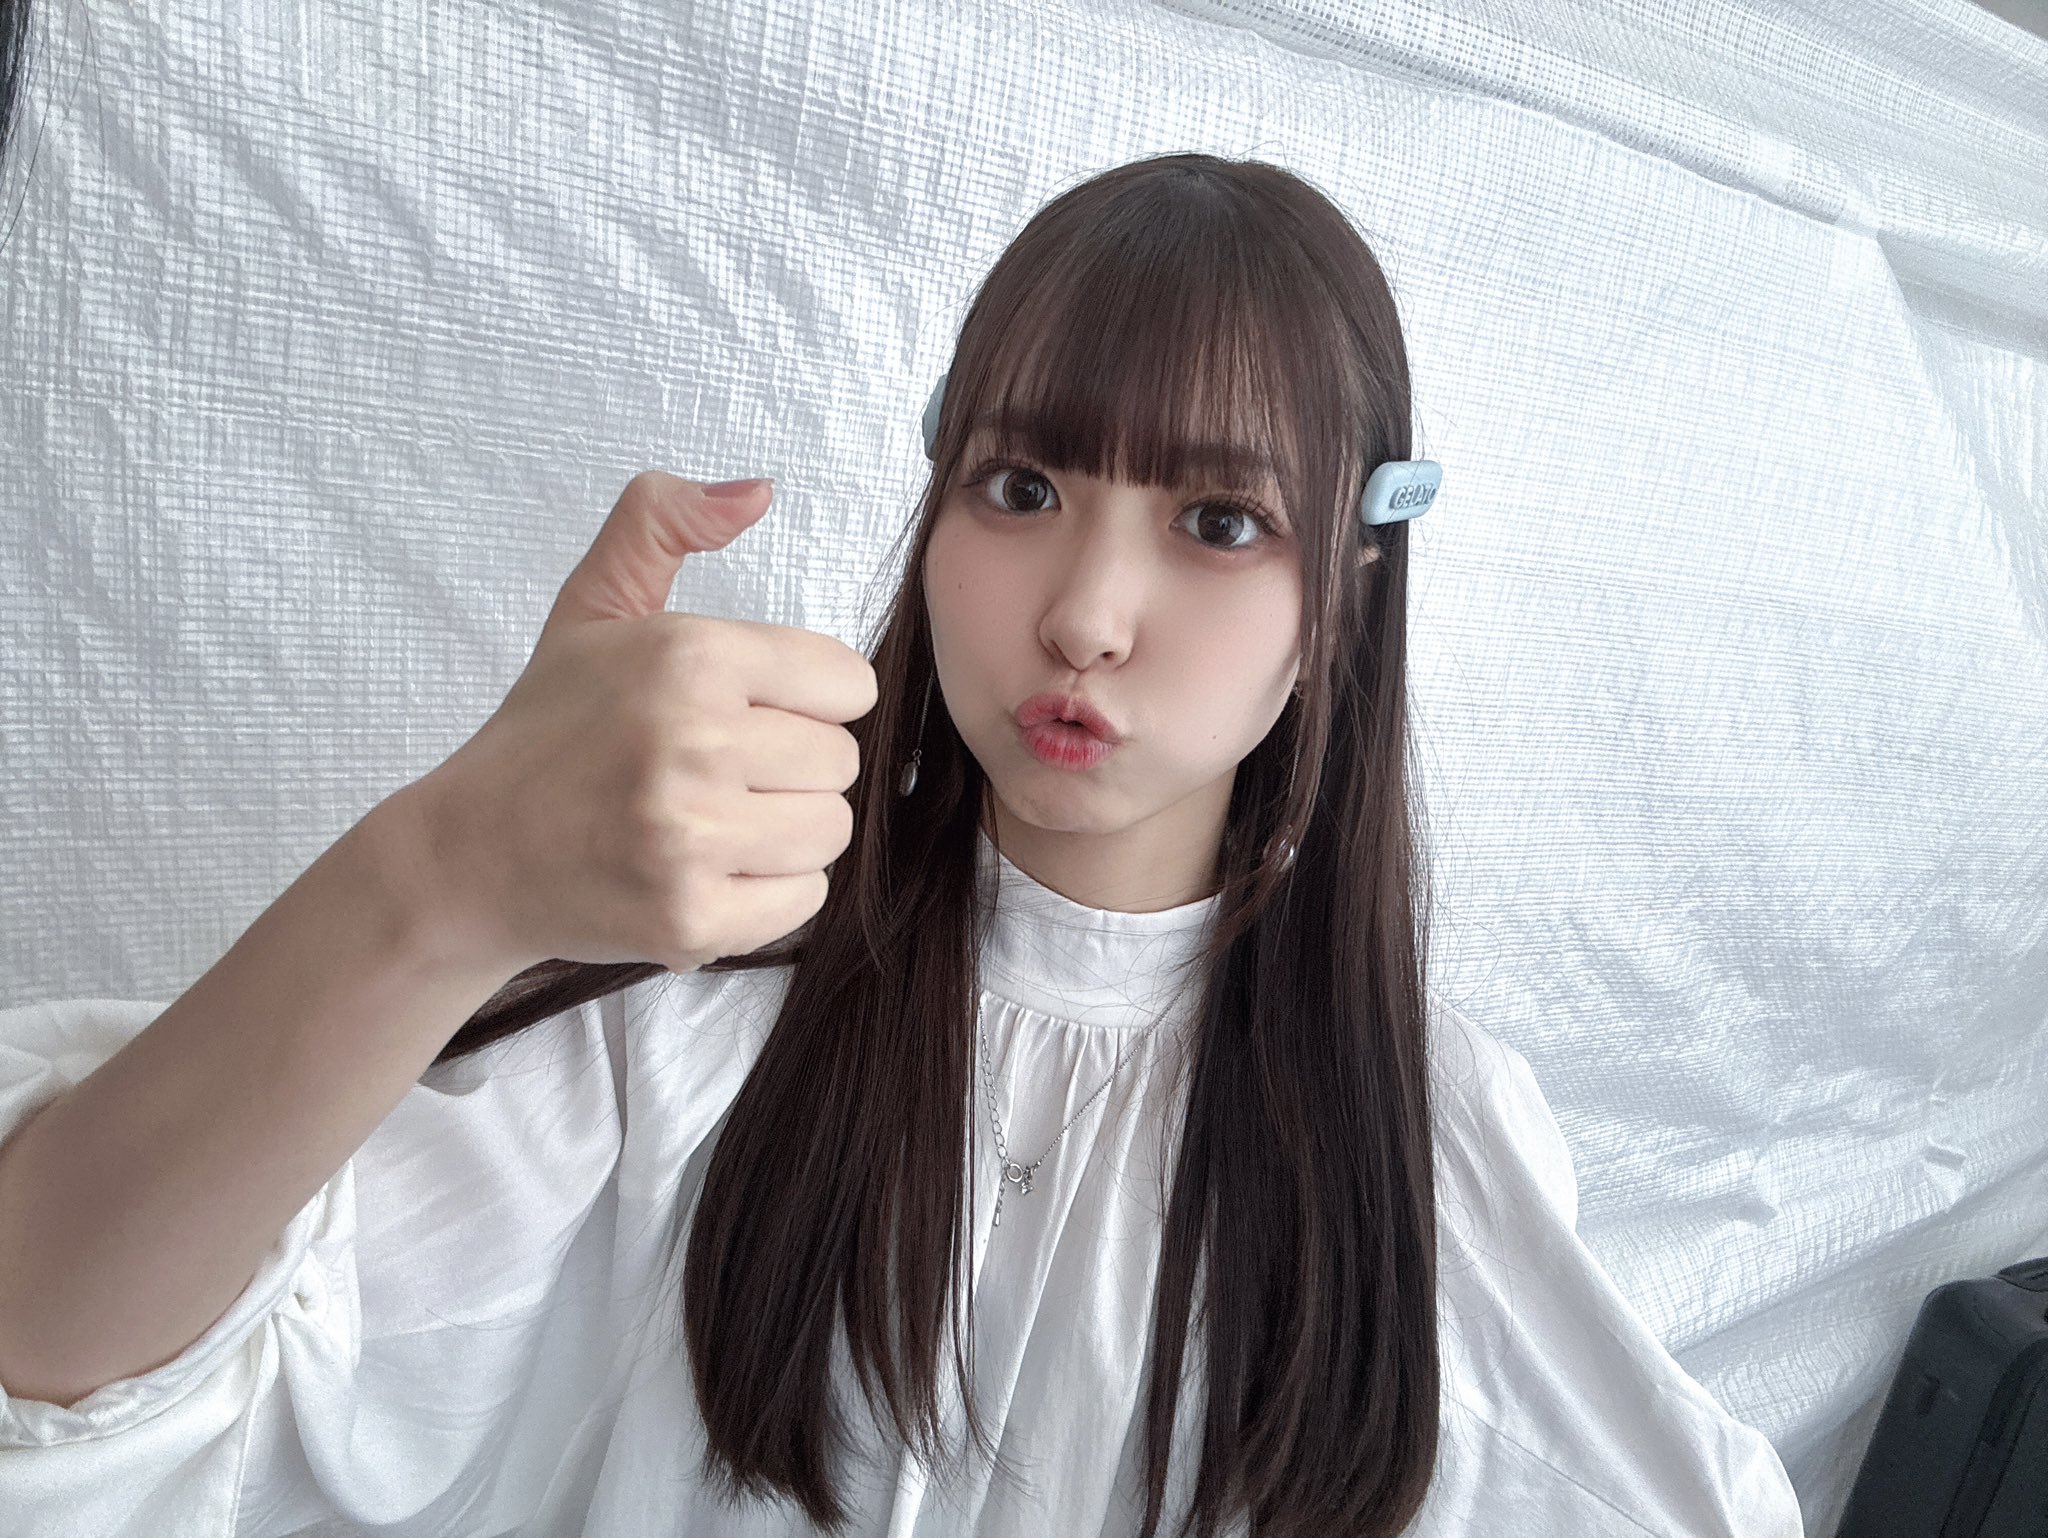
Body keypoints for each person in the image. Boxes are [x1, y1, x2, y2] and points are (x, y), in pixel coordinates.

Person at [0, 151, 1806, 1536]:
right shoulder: (699, 1020)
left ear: (1352, 577)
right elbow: (61, 1363)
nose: (1085, 614)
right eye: (1023, 488)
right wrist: (444, 875)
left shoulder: (1422, 1132)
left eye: (1216, 520)